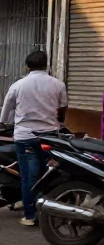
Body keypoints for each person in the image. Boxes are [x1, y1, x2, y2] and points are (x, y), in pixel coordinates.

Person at [0, 50, 68, 226]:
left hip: (25, 136)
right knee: (48, 174)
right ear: (47, 65)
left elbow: (6, 115)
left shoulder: (18, 85)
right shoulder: (58, 84)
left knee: (28, 176)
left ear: (27, 66)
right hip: (50, 136)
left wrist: (8, 122)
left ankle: (31, 215)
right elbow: (62, 111)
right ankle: (50, 211)